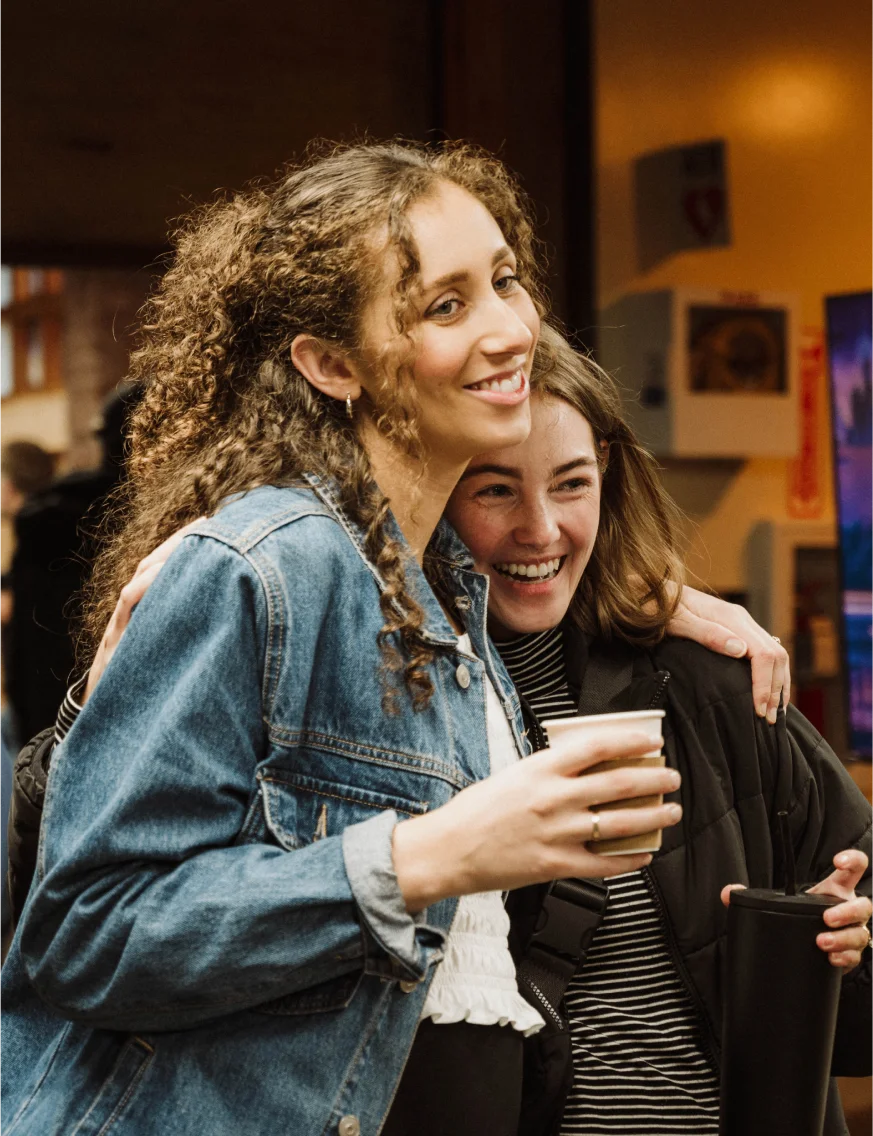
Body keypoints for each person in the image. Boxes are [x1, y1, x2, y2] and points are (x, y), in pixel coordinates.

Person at [0, 141, 690, 1136]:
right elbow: (89, 930)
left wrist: (678, 602)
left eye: (505, 280)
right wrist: (423, 855)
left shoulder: (443, 581)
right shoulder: (268, 563)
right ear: (333, 365)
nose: (511, 329)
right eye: (446, 306)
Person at [440, 323, 873, 1136]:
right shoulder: (396, 711)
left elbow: (854, 1019)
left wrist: (836, 951)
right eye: (492, 489)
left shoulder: (710, 678)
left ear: (606, 474)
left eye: (570, 484)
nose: (540, 530)